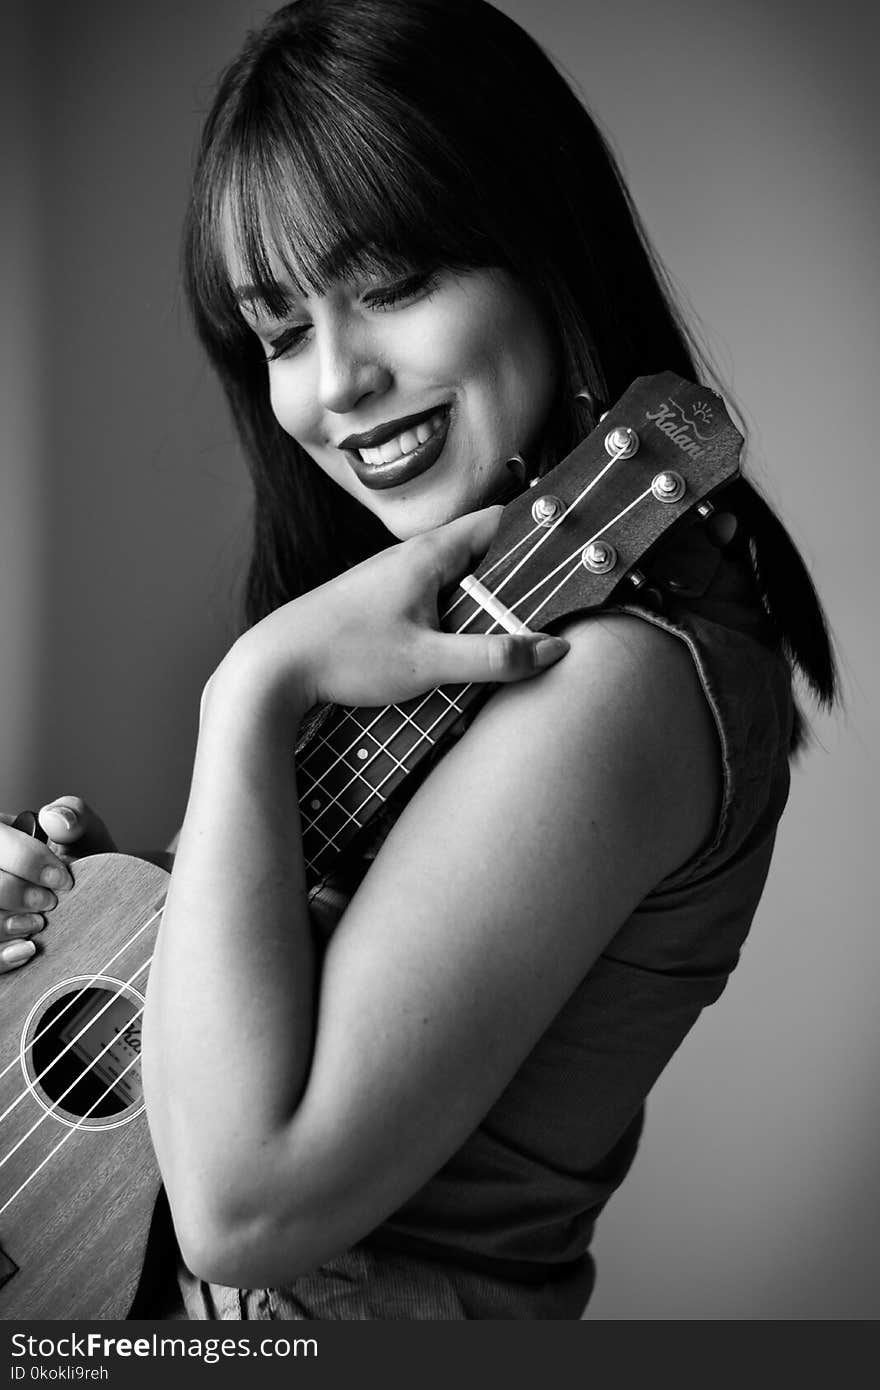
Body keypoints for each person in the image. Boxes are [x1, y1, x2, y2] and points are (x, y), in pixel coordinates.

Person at [0, 0, 836, 1320]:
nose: (335, 385)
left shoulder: (617, 684)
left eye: (391, 287)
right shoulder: (428, 638)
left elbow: (236, 1203)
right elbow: (202, 1097)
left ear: (536, 248)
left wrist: (248, 700)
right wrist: (90, 946)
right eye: (280, 331)